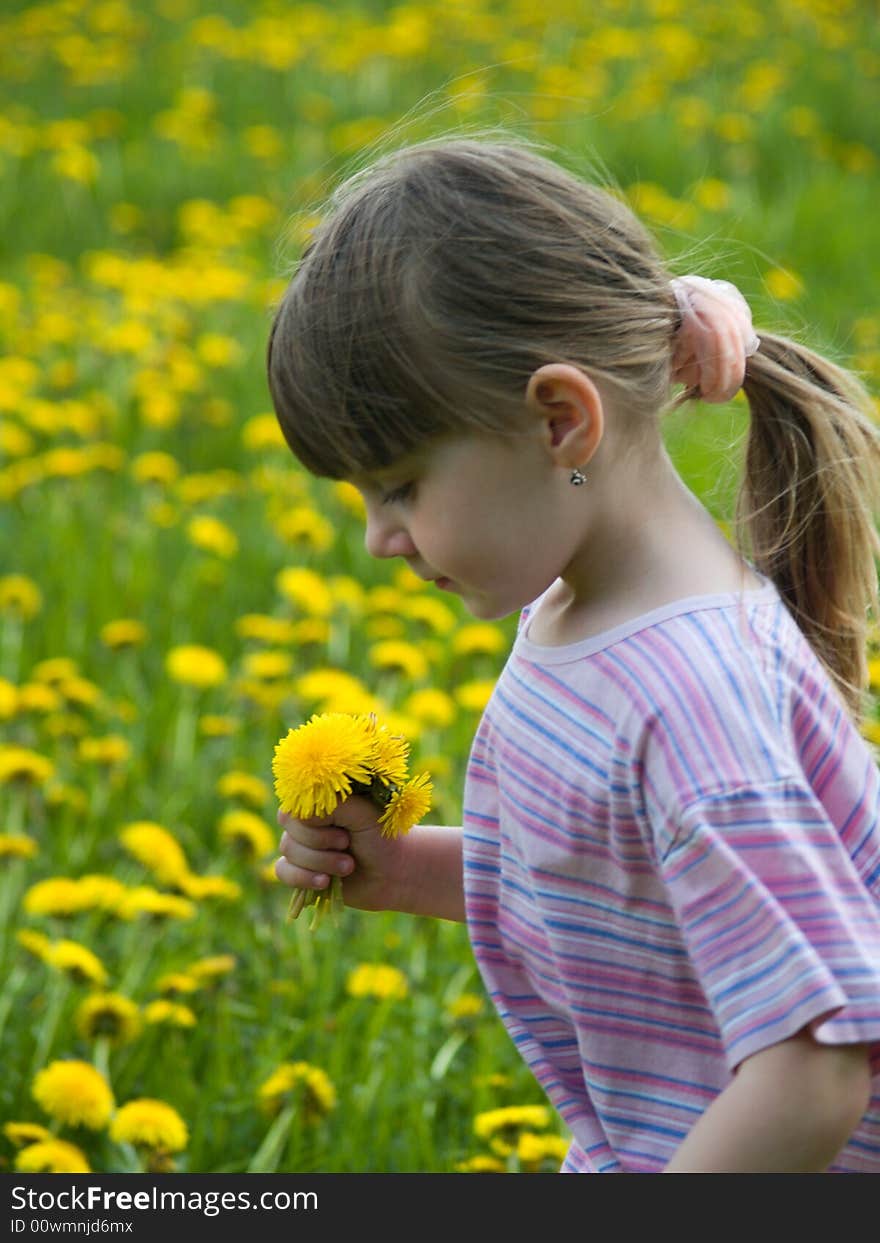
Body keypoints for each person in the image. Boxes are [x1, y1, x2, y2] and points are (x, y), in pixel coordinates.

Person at [267, 136, 880, 1173]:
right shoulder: (579, 611)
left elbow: (815, 1064)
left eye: (402, 486)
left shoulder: (692, 697)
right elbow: (617, 885)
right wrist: (404, 866)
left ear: (559, 421)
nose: (379, 538)